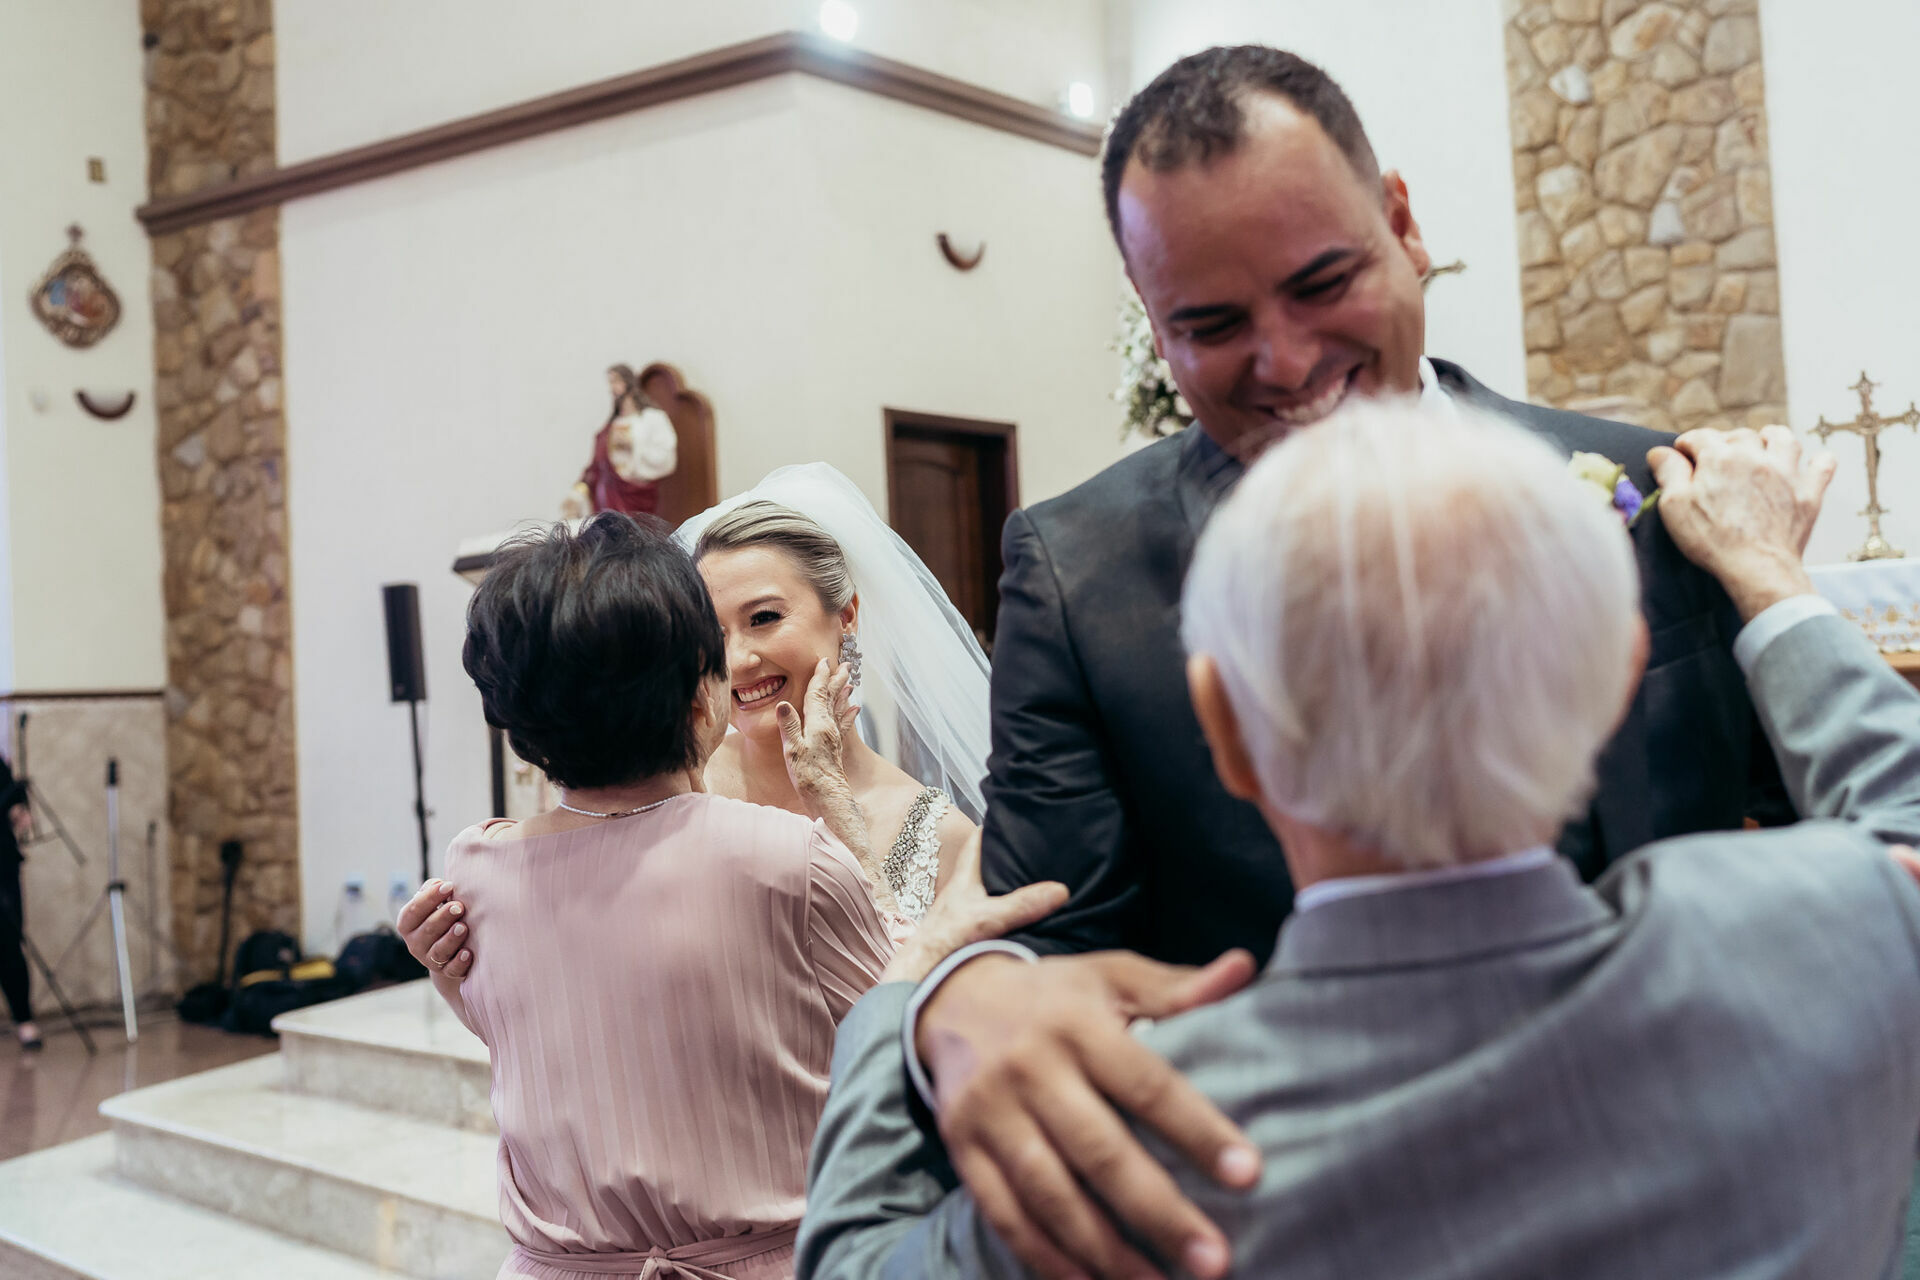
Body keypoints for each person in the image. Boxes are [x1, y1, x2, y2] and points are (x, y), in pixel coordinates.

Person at [918, 45, 1793, 1278]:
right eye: (1210, 325)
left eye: (1322, 282)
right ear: (1152, 319)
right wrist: (960, 1006)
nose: (1282, 362)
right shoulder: (1079, 572)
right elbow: (1052, 938)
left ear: (1400, 222)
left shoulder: (1652, 486)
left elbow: (1804, 812)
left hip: (1704, 1171)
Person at [796, 402, 1920, 1280]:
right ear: (1617, 677)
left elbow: (852, 1259)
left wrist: (916, 997)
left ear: (1225, 728)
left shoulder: (1143, 1143)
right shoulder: (1840, 927)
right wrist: (1771, 577)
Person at [402, 513, 1061, 1280]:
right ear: (698, 696)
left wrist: (455, 979)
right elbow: (910, 1046)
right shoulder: (790, 859)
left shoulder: (473, 864)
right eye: (715, 641)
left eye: (764, 618)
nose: (741, 658)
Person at [679, 464, 986, 917]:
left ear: (845, 616)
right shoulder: (677, 786)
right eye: (712, 631)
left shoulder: (940, 838)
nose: (736, 660)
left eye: (763, 618)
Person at [564, 364, 679, 519]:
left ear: (629, 382)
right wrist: (578, 492)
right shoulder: (610, 426)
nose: (611, 388)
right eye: (610, 383)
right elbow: (597, 464)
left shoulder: (652, 418)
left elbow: (666, 456)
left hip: (638, 493)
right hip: (609, 492)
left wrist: (634, 444)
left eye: (615, 381)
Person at [0, 750, 37, 1050]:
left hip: (2, 863)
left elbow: (11, 798)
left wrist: (17, 809)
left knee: (9, 942)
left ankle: (24, 1019)